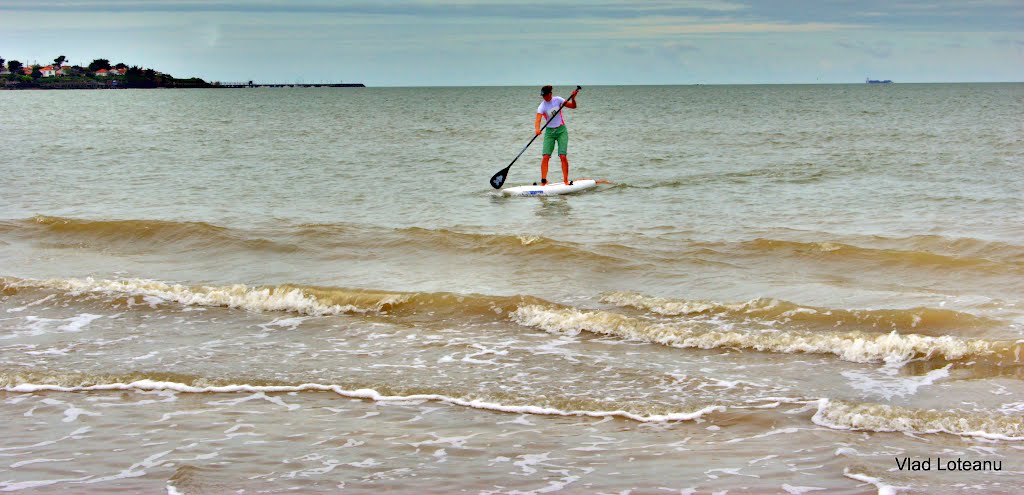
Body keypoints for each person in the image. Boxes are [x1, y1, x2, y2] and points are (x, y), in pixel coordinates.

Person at [535, 85, 578, 186]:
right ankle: (543, 182)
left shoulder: (558, 100)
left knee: (563, 156)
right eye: (543, 96)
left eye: (545, 95)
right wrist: (537, 129)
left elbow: (573, 106)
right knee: (545, 156)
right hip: (549, 132)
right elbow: (538, 120)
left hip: (561, 130)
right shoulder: (542, 106)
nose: (544, 97)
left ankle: (566, 181)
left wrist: (573, 98)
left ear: (550, 94)